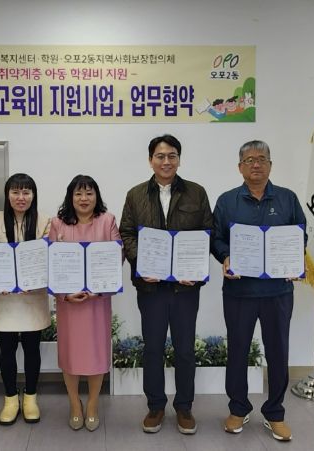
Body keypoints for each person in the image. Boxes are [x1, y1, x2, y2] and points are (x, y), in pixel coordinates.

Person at [211, 140, 305, 442]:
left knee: (278, 352)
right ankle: (238, 408)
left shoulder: (288, 199)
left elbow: (300, 235)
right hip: (240, 291)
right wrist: (225, 256)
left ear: (270, 165)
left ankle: (275, 413)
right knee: (237, 351)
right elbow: (216, 238)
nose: (256, 164)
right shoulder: (227, 201)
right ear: (240, 167)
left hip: (278, 292)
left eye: (262, 159)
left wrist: (295, 259)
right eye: (250, 159)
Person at [119, 134, 213, 435]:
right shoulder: (135, 195)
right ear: (151, 160)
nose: (166, 161)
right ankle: (156, 406)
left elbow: (207, 233)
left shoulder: (196, 193)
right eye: (160, 156)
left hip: (185, 288)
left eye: (172, 155)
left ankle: (184, 407)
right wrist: (141, 264)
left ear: (179, 160)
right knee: (153, 349)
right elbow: (126, 233)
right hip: (151, 289)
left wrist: (193, 268)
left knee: (185, 349)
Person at [48, 175, 121, 432]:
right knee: (70, 355)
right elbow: (50, 262)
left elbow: (117, 257)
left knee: (96, 354)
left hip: (96, 303)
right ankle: (74, 404)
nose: (84, 198)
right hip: (69, 303)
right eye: (78, 193)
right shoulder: (57, 224)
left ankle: (92, 404)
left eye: (89, 193)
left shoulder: (108, 221)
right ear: (70, 197)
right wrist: (64, 295)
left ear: (96, 196)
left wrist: (97, 290)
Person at [0, 173, 51, 425]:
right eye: (15, 192)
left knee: (32, 348)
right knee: (7, 349)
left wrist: (33, 281)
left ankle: (31, 397)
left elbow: (47, 258)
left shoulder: (45, 221)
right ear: (7, 195)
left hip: (34, 297)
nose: (21, 197)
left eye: (26, 192)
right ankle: (10, 398)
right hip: (5, 299)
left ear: (33, 195)